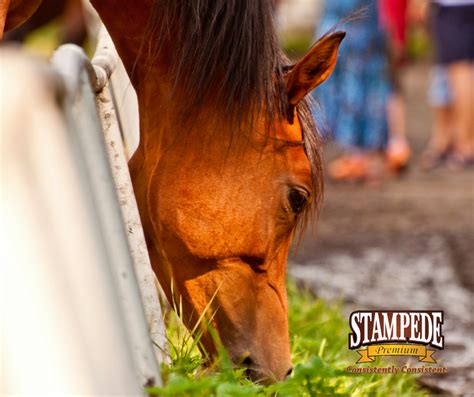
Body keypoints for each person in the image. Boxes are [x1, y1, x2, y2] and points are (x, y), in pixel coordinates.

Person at [312, 0, 392, 182]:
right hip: (356, 26)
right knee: (356, 81)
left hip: (353, 26)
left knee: (354, 82)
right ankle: (360, 154)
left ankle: (357, 155)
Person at [424, 0, 474, 167]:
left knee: (460, 70)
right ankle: (454, 139)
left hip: (454, 7)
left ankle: (466, 144)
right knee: (458, 70)